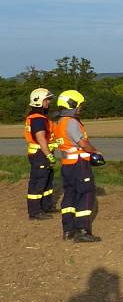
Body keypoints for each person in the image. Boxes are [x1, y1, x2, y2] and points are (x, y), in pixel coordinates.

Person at [53, 89, 104, 242]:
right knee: (86, 193)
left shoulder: (58, 122)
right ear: (72, 105)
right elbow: (82, 143)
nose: (80, 108)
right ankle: (83, 230)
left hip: (67, 165)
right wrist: (96, 151)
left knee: (70, 195)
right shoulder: (71, 122)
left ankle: (68, 230)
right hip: (79, 165)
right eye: (79, 105)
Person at [24, 88, 57, 219]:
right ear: (39, 101)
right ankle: (35, 211)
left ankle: (46, 206)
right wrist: (48, 154)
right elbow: (40, 138)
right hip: (40, 154)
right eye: (46, 100)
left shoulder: (39, 117)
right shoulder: (38, 119)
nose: (48, 102)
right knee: (38, 182)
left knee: (47, 180)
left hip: (41, 153)